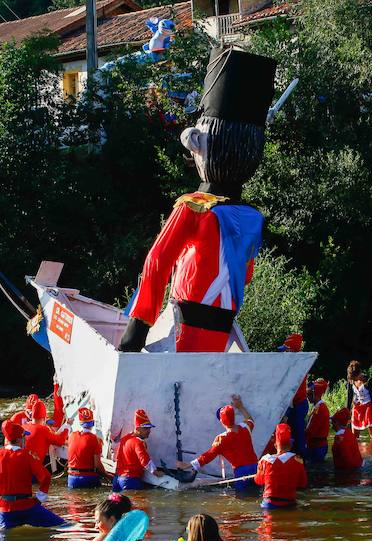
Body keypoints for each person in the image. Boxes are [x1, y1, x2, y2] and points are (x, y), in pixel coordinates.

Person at [117, 48, 277, 353]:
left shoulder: (194, 205)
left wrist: (135, 334)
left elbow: (157, 262)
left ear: (202, 146)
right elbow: (246, 271)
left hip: (185, 328)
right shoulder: (251, 217)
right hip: (222, 328)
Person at [0, 420, 66, 529]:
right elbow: (46, 477)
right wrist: (39, 498)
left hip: (6, 508)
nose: (25, 440)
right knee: (64, 526)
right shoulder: (28, 455)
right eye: (24, 437)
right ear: (19, 439)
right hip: (28, 506)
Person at [178, 395, 257, 490]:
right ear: (234, 417)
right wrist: (240, 407)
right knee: (256, 493)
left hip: (241, 472)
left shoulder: (221, 439)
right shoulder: (245, 428)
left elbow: (208, 456)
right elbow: (250, 420)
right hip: (256, 468)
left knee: (242, 497)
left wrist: (189, 465)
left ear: (221, 422)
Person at [254, 423, 307, 509]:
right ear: (290, 444)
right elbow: (302, 483)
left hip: (269, 503)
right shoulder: (298, 460)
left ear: (275, 444)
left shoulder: (264, 460)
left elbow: (259, 481)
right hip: (289, 503)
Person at [113, 409, 165, 491]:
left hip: (117, 480)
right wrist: (156, 472)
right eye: (146, 428)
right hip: (130, 480)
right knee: (138, 503)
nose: (149, 431)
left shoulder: (124, 439)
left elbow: (117, 458)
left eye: (149, 428)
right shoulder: (138, 442)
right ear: (137, 428)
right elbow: (145, 460)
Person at [280, 333, 309, 456]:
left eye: (286, 350)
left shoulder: (299, 365)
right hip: (296, 404)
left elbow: (291, 389)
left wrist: (286, 412)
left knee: (298, 437)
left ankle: (300, 462)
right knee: (296, 436)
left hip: (298, 404)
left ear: (291, 350)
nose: (284, 353)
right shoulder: (298, 363)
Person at [21, 396, 69, 465]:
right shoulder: (44, 430)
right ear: (44, 418)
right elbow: (60, 441)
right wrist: (67, 427)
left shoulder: (23, 427)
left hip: (20, 464)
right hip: (34, 467)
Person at [67, 407, 105, 488]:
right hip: (88, 478)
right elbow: (97, 465)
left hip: (72, 478)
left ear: (80, 423)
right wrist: (107, 475)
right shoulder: (95, 439)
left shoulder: (71, 436)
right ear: (93, 423)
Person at [345, 360, 372, 442]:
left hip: (368, 407)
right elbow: (349, 398)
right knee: (354, 436)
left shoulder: (368, 380)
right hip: (357, 408)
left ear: (359, 372)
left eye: (355, 377)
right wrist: (347, 412)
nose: (355, 379)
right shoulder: (351, 381)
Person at [304, 378, 331, 462]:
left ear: (314, 394)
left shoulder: (319, 409)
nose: (307, 397)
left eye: (308, 394)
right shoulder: (320, 407)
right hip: (319, 446)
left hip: (317, 448)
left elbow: (310, 431)